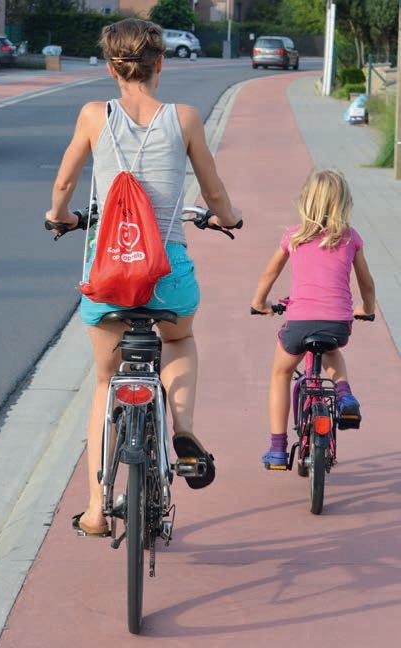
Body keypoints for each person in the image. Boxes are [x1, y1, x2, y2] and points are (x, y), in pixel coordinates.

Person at [45, 19, 241, 535]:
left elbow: (64, 183)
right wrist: (228, 217)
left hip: (109, 270)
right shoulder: (185, 118)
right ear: (161, 64)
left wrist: (59, 216)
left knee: (105, 379)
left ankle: (94, 508)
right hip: (165, 269)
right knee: (179, 337)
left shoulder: (94, 115)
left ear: (112, 68)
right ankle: (183, 427)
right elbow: (214, 193)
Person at [251, 168, 375, 467]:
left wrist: (260, 303)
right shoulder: (350, 237)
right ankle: (345, 395)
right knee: (332, 350)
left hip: (299, 324)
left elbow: (269, 273)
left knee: (281, 373)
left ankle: (278, 449)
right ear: (343, 203)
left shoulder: (293, 237)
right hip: (338, 323)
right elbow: (367, 283)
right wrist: (367, 309)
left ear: (306, 201)